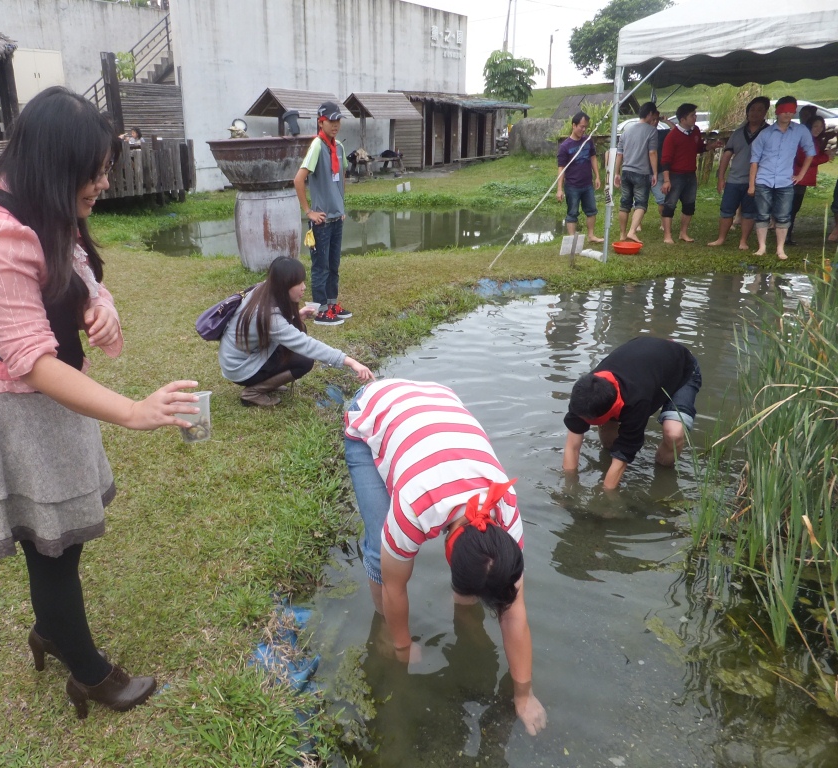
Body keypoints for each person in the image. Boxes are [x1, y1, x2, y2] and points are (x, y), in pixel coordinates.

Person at [0, 86, 200, 719]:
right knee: (51, 549)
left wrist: (96, 308)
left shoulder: (42, 204)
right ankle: (86, 671)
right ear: (56, 163)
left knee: (60, 542)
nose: (104, 183)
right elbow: (29, 358)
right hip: (13, 412)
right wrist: (134, 410)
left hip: (54, 405)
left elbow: (79, 270)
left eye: (106, 168)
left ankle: (51, 633)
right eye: (97, 170)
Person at [344, 378, 547, 736]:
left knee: (488, 584)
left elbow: (515, 614)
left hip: (436, 402)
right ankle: (383, 632)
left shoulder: (507, 512)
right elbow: (395, 587)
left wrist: (524, 695)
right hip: (372, 412)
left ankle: (460, 618)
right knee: (381, 551)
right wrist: (402, 645)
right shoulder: (413, 507)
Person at [218, 256, 374, 407]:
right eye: (298, 283)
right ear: (284, 285)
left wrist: (296, 315)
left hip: (242, 356)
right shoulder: (270, 317)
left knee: (298, 330)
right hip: (239, 367)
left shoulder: (264, 288)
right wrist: (351, 362)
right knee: (304, 361)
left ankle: (268, 381)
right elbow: (307, 345)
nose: (304, 287)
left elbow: (269, 328)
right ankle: (253, 392)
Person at [562, 337, 701, 491]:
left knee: (673, 434)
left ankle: (662, 477)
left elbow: (624, 453)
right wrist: (569, 489)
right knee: (608, 435)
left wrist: (605, 498)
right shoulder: (585, 392)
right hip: (646, 365)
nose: (582, 421)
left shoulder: (637, 401)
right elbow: (572, 446)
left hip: (681, 370)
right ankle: (606, 459)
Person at [294, 101, 351, 326]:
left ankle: (331, 305)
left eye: (338, 121)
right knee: (321, 266)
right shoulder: (317, 145)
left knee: (334, 264)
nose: (335, 125)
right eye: (331, 121)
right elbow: (299, 179)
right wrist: (308, 211)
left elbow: (341, 175)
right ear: (321, 122)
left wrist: (340, 205)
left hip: (337, 217)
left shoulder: (339, 147)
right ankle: (320, 312)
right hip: (322, 220)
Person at [749, 96, 816, 260]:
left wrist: (801, 174)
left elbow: (810, 152)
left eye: (791, 111)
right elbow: (754, 160)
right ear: (777, 112)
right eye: (784, 111)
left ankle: (780, 248)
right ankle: (762, 247)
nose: (787, 114)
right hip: (764, 178)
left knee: (784, 215)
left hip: (785, 180)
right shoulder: (765, 134)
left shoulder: (800, 130)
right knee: (762, 214)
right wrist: (751, 184)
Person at [708, 96, 770, 249]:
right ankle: (721, 238)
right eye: (752, 110)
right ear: (747, 112)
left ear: (765, 112)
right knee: (726, 210)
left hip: (757, 180)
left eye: (759, 110)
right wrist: (721, 177)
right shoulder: (738, 133)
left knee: (749, 212)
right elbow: (727, 155)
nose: (755, 113)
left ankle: (743, 241)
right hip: (734, 179)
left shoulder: (769, 132)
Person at [660, 103, 710, 244]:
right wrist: (666, 180)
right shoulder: (672, 136)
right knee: (670, 204)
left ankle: (683, 233)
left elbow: (698, 147)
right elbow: (665, 160)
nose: (695, 117)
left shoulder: (695, 131)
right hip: (676, 175)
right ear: (683, 119)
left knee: (689, 205)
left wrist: (709, 147)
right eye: (692, 115)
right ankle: (667, 235)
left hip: (690, 174)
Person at [614, 101, 660, 243]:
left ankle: (622, 235)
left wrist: (616, 173)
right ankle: (632, 231)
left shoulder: (626, 131)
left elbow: (619, 154)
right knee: (641, 203)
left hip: (626, 171)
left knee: (624, 204)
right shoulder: (652, 131)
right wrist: (655, 173)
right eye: (654, 115)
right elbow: (652, 153)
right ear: (650, 114)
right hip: (642, 172)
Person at [556, 111, 604, 245]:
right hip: (572, 186)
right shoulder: (565, 146)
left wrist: (597, 176)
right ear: (574, 125)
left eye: (585, 127)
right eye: (581, 127)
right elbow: (561, 168)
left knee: (591, 210)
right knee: (572, 213)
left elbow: (593, 157)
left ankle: (591, 235)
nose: (583, 130)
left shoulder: (588, 141)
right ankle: (572, 241)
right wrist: (559, 189)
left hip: (587, 184)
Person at [788, 114, 832, 245]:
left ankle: (787, 235)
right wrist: (826, 158)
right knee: (791, 208)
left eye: (821, 126)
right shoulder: (806, 140)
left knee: (794, 208)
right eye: (815, 126)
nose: (818, 129)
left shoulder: (814, 140)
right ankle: (785, 236)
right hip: (797, 177)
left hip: (803, 179)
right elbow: (804, 159)